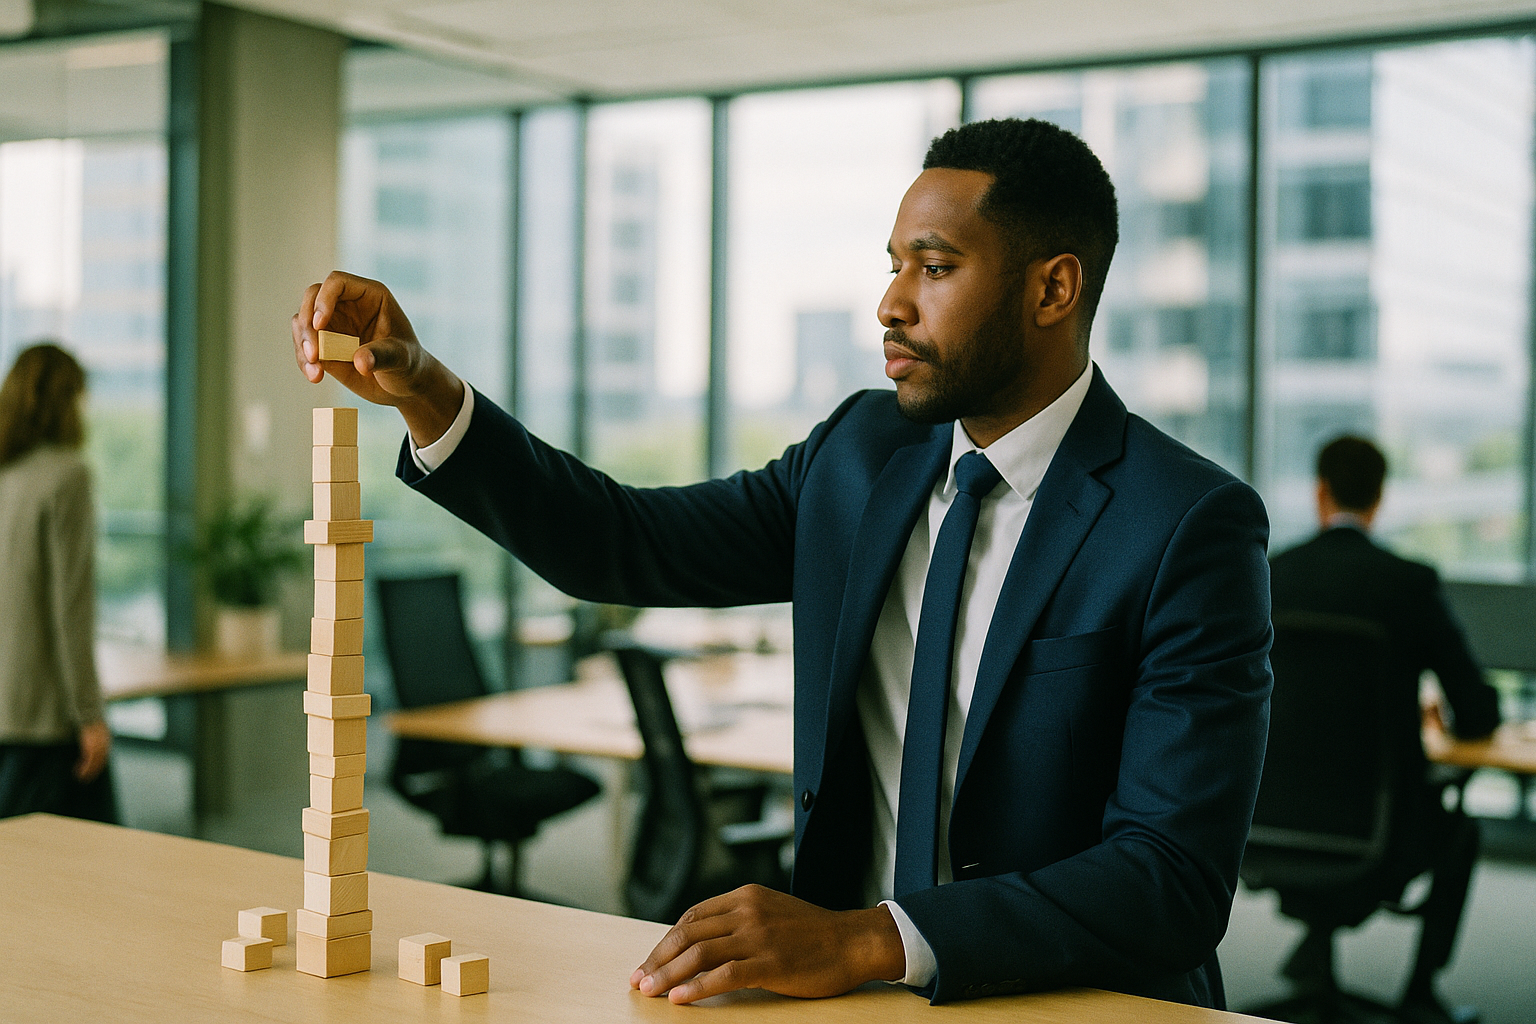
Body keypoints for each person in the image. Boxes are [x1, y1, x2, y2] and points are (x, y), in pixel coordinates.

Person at [291, 118, 1272, 1007]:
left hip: (1074, 1000)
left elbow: (1170, 876)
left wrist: (872, 939)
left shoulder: (1187, 523)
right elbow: (623, 542)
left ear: (1052, 287)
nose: (889, 304)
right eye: (892, 265)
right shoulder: (860, 455)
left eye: (933, 267)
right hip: (845, 1001)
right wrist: (424, 390)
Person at [1269, 435, 1500, 1024]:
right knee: (1462, 834)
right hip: (1383, 829)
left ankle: (1316, 956)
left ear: (1319, 492)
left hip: (1266, 827)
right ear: (1379, 499)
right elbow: (1477, 713)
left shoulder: (1269, 578)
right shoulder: (1408, 583)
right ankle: (1420, 994)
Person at [0, 342, 116, 823]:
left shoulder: (7, 475)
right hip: (44, 716)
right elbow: (70, 609)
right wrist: (89, 714)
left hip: (6, 707)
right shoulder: (67, 476)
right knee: (88, 873)